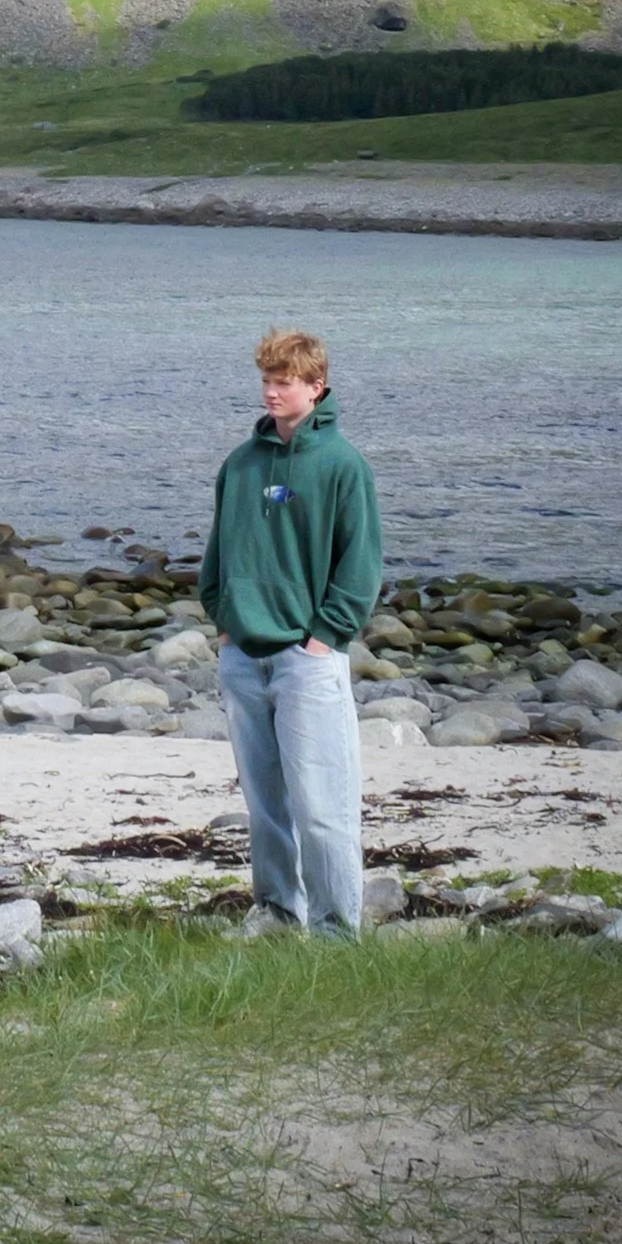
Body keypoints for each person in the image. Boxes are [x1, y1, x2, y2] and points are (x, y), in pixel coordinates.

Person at [198, 329, 381, 937]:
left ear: (316, 387)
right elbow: (220, 549)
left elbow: (360, 563)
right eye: (267, 381)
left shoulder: (342, 466)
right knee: (266, 807)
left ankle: (335, 932)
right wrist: (224, 621)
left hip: (308, 661)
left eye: (284, 382)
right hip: (244, 657)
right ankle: (278, 913)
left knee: (323, 809)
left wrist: (326, 636)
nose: (272, 393)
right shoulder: (242, 464)